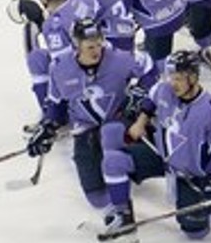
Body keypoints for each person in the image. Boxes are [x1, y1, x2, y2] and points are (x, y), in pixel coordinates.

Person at [25, 18, 154, 231]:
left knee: (110, 134)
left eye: (98, 44)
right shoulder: (60, 69)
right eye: (89, 46)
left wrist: (141, 91)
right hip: (85, 127)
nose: (96, 51)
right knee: (96, 198)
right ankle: (113, 185)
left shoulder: (120, 59)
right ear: (77, 45)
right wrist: (47, 127)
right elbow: (55, 106)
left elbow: (149, 68)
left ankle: (122, 199)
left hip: (119, 120)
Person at [99, 51, 211, 243]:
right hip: (161, 157)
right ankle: (123, 216)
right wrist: (141, 122)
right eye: (171, 77)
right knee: (114, 162)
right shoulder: (164, 89)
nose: (173, 83)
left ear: (193, 78)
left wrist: (210, 180)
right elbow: (150, 102)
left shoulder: (210, 109)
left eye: (178, 78)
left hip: (191, 173)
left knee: (195, 230)